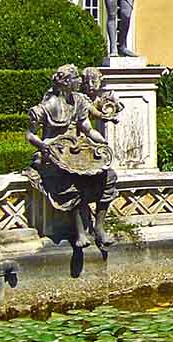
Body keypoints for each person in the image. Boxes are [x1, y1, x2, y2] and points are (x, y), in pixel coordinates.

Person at [26, 65, 118, 250]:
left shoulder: (78, 101)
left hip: (76, 151)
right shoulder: (46, 107)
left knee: (109, 177)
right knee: (71, 181)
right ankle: (79, 231)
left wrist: (103, 143)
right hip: (53, 154)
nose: (80, 82)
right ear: (66, 82)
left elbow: (88, 129)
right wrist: (44, 146)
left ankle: (99, 227)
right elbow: (29, 135)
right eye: (76, 78)